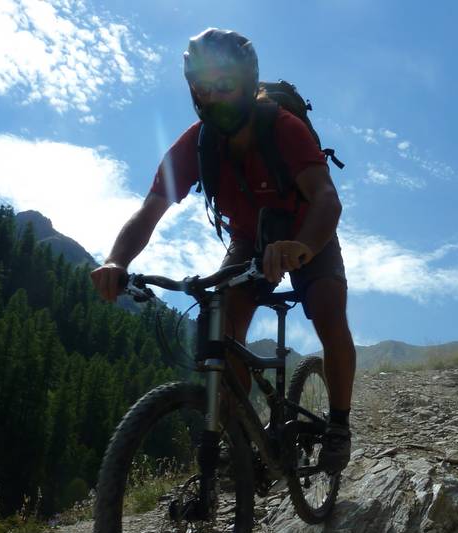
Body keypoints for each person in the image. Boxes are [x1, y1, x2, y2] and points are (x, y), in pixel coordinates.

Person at [90, 28, 356, 472]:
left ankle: (340, 425)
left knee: (329, 311)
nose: (212, 98)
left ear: (249, 84)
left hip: (304, 228)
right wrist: (118, 260)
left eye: (224, 86)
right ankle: (237, 436)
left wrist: (304, 247)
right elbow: (150, 209)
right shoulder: (196, 143)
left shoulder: (282, 128)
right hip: (248, 240)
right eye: (202, 88)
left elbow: (326, 199)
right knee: (223, 332)